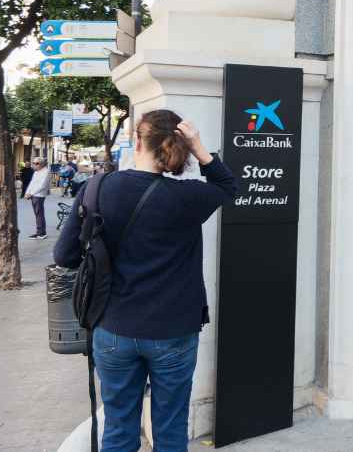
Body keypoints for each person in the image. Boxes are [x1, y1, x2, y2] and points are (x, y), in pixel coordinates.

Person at [54, 110, 236, 452]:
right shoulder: (188, 198)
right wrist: (200, 148)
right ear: (178, 146)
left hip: (113, 329)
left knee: (119, 428)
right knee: (169, 430)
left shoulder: (97, 188)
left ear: (137, 141)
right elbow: (228, 187)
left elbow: (64, 256)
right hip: (174, 332)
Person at [23, 158, 50, 239]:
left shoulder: (46, 172)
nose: (33, 165)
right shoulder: (36, 172)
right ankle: (39, 232)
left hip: (39, 195)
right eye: (33, 163)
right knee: (37, 214)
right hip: (34, 195)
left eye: (35, 163)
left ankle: (41, 233)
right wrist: (27, 192)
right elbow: (32, 183)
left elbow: (42, 185)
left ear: (40, 164)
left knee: (39, 214)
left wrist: (31, 193)